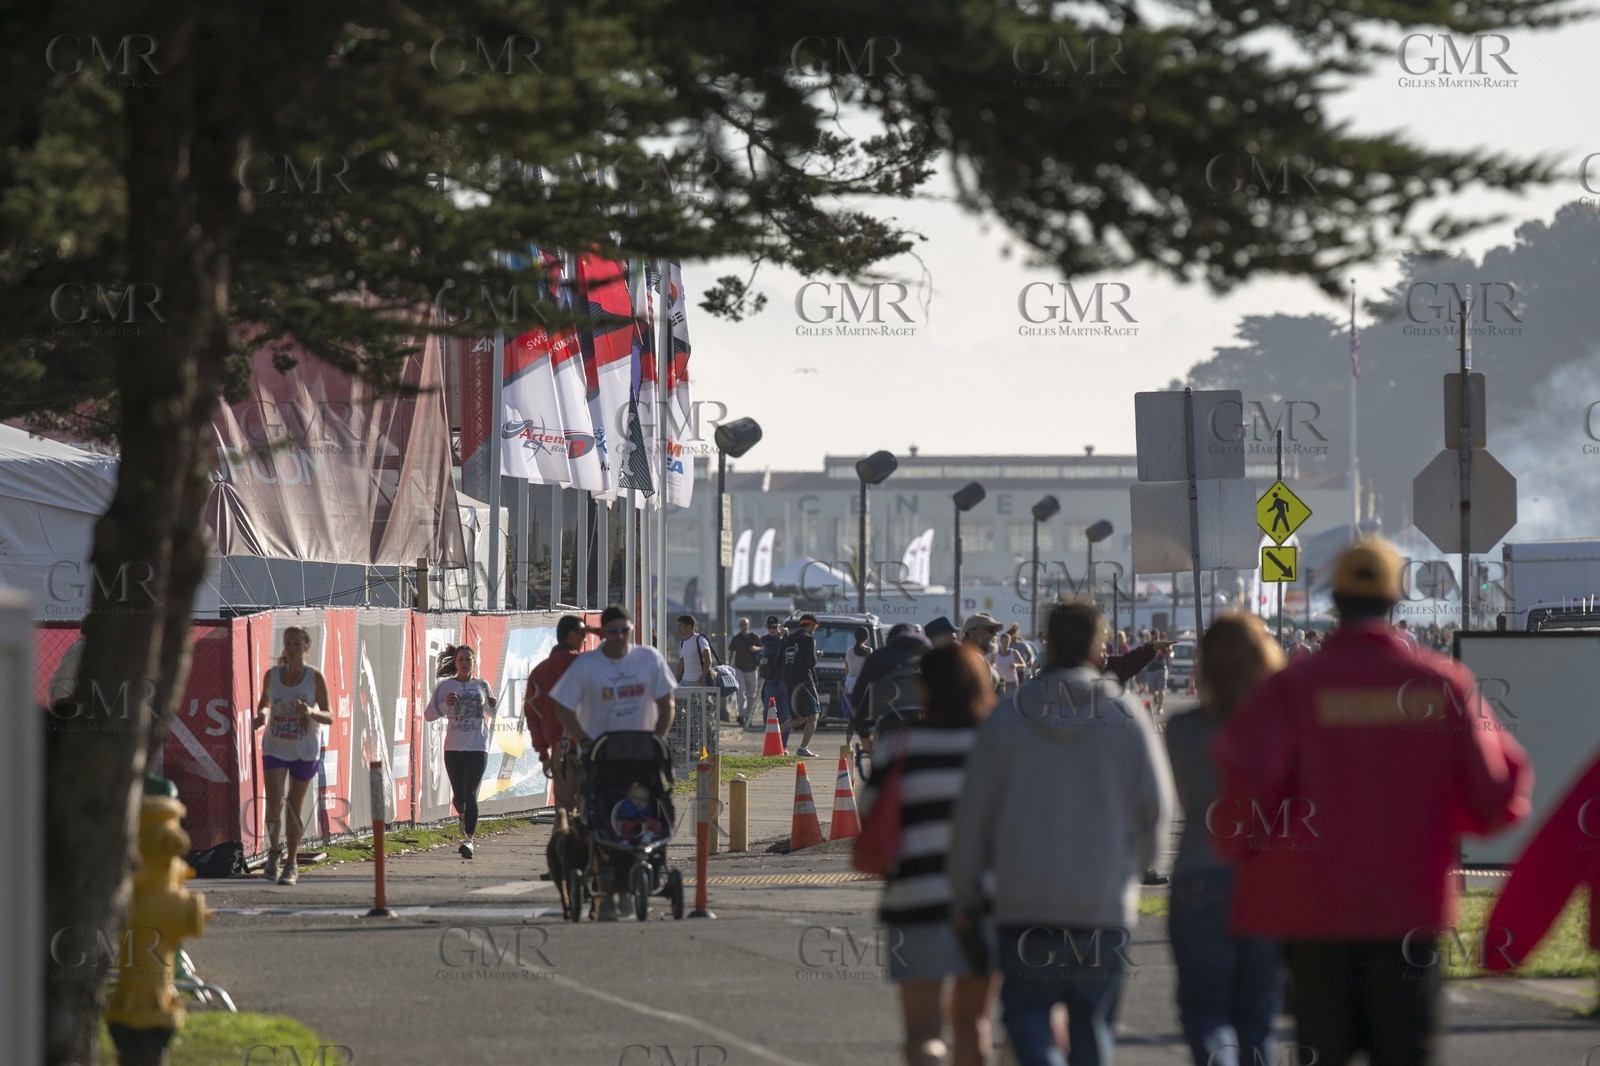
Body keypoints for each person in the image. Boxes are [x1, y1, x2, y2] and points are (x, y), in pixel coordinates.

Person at [1212, 537, 1530, 1065]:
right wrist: (1441, 822)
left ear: (1334, 602)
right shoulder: (1441, 683)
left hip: (1316, 917)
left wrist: (1247, 858)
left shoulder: (1294, 686)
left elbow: (1246, 792)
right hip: (1409, 914)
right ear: (1394, 601)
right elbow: (1497, 792)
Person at [949, 600, 1174, 1066]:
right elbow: (1155, 808)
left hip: (1024, 901)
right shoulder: (1122, 713)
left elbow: (973, 811)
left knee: (1027, 1015)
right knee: (1092, 1024)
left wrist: (967, 890)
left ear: (1046, 643)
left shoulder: (1008, 715)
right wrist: (1133, 871)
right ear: (1097, 646)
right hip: (1100, 902)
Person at [865, 644, 1001, 1066]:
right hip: (985, 901)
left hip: (915, 898)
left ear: (925, 689)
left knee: (922, 1031)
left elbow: (870, 812)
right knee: (973, 1025)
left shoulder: (901, 744)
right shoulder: (997, 744)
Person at [1165, 612, 1286, 1066]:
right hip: (1266, 878)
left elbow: (1186, 798)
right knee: (1257, 1015)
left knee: (1205, 1010)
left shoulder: (1182, 729)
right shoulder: (1282, 729)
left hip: (1200, 873)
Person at [549, 604, 677, 920]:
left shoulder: (648, 659)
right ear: (603, 633)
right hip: (601, 759)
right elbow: (562, 707)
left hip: (641, 759)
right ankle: (605, 890)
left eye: (625, 631)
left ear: (632, 631)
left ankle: (640, 877)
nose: (620, 637)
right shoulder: (586, 665)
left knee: (646, 812)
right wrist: (583, 740)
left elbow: (666, 704)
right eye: (613, 631)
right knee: (599, 821)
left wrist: (657, 740)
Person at [253, 626, 334, 886]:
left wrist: (310, 712)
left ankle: (292, 862)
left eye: (297, 644)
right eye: (288, 643)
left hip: (304, 749)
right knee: (274, 802)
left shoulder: (314, 677)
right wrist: (261, 716)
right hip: (276, 746)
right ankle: (274, 853)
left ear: (306, 647)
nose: (291, 648)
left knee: (293, 807)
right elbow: (264, 704)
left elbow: (329, 716)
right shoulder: (273, 675)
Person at [424, 643, 499, 860]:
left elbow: (492, 713)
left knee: (471, 793)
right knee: (459, 796)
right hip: (453, 747)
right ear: (455, 663)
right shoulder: (445, 686)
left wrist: (492, 705)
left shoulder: (482, 685)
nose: (464, 663)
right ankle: (462, 815)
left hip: (477, 746)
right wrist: (446, 705)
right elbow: (429, 715)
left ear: (474, 662)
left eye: (468, 659)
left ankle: (469, 840)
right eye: (461, 660)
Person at [525, 615, 589, 817]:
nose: (586, 638)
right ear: (571, 635)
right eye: (582, 633)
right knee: (593, 813)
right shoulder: (585, 664)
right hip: (590, 747)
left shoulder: (539, 671)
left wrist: (544, 755)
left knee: (564, 813)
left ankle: (564, 835)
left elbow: (532, 716)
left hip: (560, 752)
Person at [850, 622, 932, 751]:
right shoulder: (931, 657)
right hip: (924, 719)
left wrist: (864, 731)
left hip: (888, 718)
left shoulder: (879, 657)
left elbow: (860, 695)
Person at [780, 613, 823, 757]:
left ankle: (772, 737)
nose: (814, 630)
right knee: (814, 715)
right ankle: (803, 748)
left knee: (799, 718)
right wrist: (816, 655)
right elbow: (810, 663)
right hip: (804, 682)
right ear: (810, 625)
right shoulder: (808, 639)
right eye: (814, 627)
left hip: (788, 681)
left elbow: (779, 661)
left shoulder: (787, 639)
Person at [729, 617, 764, 726]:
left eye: (745, 624)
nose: (744, 626)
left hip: (752, 668)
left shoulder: (754, 637)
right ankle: (741, 715)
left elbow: (763, 648)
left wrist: (755, 648)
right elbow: (731, 652)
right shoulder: (736, 638)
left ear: (749, 625)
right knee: (741, 692)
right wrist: (729, 666)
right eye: (742, 624)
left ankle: (749, 716)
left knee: (751, 694)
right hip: (739, 668)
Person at [758, 616, 788, 728]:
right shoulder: (765, 640)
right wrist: (780, 637)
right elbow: (770, 649)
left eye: (774, 627)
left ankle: (783, 738)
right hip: (771, 681)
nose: (771, 630)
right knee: (769, 710)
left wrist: (785, 636)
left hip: (784, 680)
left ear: (779, 627)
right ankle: (770, 734)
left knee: (785, 713)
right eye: (769, 627)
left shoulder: (785, 639)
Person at [843, 626, 872, 727]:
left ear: (855, 637)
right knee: (864, 710)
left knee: (851, 710)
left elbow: (846, 670)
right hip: (861, 683)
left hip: (849, 683)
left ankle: (849, 735)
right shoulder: (868, 651)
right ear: (867, 638)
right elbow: (870, 668)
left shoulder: (849, 651)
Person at [675, 614, 712, 686]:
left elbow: (708, 660)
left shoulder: (700, 639)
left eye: (680, 625)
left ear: (689, 627)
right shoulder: (682, 642)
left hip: (698, 681)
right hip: (685, 681)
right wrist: (675, 681)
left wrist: (703, 679)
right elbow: (681, 663)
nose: (678, 628)